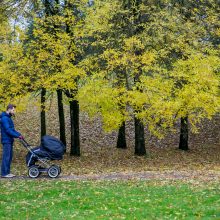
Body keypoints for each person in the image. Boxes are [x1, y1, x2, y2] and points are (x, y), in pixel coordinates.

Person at [0, 104, 23, 178]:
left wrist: (19, 134)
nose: (14, 112)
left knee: (9, 156)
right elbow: (8, 130)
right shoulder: (4, 118)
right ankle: (4, 173)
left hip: (9, 140)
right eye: (13, 110)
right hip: (6, 140)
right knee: (6, 157)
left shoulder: (8, 118)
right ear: (9, 109)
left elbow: (12, 130)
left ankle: (7, 172)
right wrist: (17, 135)